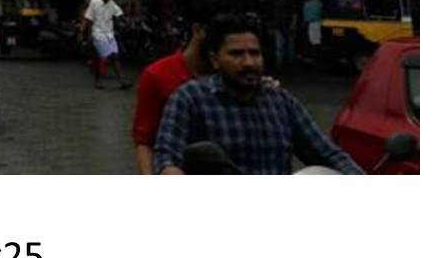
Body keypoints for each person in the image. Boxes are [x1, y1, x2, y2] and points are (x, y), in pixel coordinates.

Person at [154, 13, 362, 175]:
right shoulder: (190, 99)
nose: (249, 62)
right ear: (215, 59)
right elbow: (166, 159)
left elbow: (328, 153)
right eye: (236, 54)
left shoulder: (280, 102)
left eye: (254, 53)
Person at [131, 0, 224, 174]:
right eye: (219, 36)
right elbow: (144, 141)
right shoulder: (157, 75)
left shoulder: (232, 74)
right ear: (198, 30)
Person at [83, 0, 129, 89]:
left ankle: (120, 81)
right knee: (110, 57)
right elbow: (89, 19)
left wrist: (124, 21)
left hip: (109, 34)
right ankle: (116, 80)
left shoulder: (112, 4)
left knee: (113, 56)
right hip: (97, 33)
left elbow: (119, 14)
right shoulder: (94, 2)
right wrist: (89, 34)